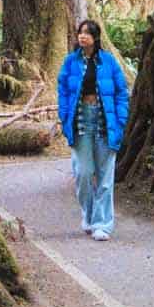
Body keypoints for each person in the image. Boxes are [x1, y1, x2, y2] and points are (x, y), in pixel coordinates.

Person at [55, 17, 130, 240]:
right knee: (83, 173)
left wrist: (121, 119)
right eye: (80, 32)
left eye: (87, 33)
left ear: (96, 38)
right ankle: (88, 214)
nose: (82, 36)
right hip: (80, 122)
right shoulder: (70, 62)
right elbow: (63, 90)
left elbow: (121, 92)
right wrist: (64, 114)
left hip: (105, 121)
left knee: (105, 176)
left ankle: (102, 224)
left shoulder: (108, 62)